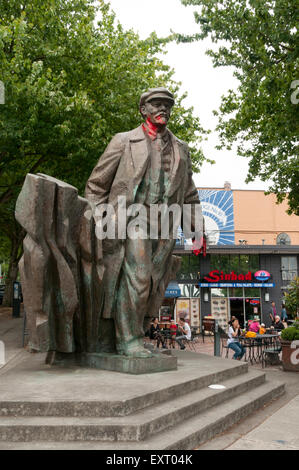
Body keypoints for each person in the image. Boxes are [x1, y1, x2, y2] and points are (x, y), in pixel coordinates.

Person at [85, 87, 203, 358]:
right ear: (143, 110)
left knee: (153, 283)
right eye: (156, 104)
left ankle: (136, 334)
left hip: (165, 224)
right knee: (138, 278)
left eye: (167, 105)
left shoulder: (181, 149)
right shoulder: (124, 141)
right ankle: (127, 341)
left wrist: (196, 231)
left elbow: (189, 194)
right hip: (131, 219)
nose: (163, 109)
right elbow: (96, 184)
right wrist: (98, 223)